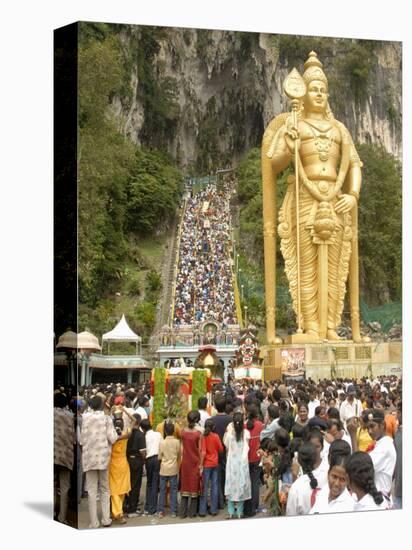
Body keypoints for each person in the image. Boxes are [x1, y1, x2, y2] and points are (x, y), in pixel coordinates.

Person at [264, 50, 365, 341]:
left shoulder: (339, 129)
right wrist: (288, 141)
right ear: (304, 94)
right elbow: (274, 164)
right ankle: (309, 326)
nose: (319, 94)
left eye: (323, 90)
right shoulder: (294, 124)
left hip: (335, 198)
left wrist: (353, 195)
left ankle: (331, 326)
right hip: (305, 197)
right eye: (314, 89)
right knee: (306, 265)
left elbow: (355, 164)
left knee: (336, 265)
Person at [80, 395, 118, 528]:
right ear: (102, 405)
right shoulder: (106, 419)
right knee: (104, 489)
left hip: (89, 458)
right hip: (103, 458)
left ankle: (94, 522)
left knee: (91, 491)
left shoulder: (84, 418)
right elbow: (112, 438)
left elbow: (81, 440)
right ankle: (106, 519)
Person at [310, 439, 354, 514]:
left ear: (348, 481)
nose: (337, 483)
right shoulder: (323, 492)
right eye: (334, 477)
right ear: (328, 474)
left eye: (342, 480)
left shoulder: (349, 507)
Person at [286, 441, 328, 516]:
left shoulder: (296, 487)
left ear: (299, 461)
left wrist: (294, 477)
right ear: (316, 457)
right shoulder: (329, 475)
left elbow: (290, 515)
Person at [224, 412, 251, 519]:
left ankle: (230, 512)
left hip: (231, 464)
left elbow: (226, 445)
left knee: (230, 487)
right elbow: (248, 446)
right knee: (241, 487)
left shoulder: (230, 434)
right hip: (242, 463)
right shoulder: (246, 433)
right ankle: (240, 512)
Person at [53, 392, 75, 525]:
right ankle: (62, 517)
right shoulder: (70, 416)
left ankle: (51, 513)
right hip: (65, 457)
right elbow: (73, 438)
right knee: (65, 488)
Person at [367, 409, 396, 500]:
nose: (369, 431)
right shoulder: (381, 443)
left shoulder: (385, 446)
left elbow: (362, 467)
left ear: (382, 425)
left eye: (372, 427)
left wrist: (352, 436)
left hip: (379, 499)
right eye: (368, 428)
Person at [109, 410, 131, 524]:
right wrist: (125, 410)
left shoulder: (111, 438)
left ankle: (117, 512)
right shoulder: (126, 434)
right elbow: (134, 421)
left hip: (112, 465)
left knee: (114, 490)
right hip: (123, 464)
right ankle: (118, 512)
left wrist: (111, 412)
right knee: (121, 490)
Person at [179, 411, 202, 518]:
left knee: (185, 486)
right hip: (195, 462)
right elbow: (200, 450)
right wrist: (201, 465)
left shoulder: (182, 432)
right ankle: (192, 513)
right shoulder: (198, 434)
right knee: (194, 487)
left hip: (185, 462)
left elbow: (181, 448)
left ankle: (182, 513)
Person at [199, 418, 223, 517]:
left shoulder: (203, 437)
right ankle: (213, 510)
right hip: (215, 463)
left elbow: (203, 452)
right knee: (214, 486)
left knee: (204, 487)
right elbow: (221, 449)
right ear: (213, 427)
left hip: (206, 464)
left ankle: (202, 510)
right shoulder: (216, 436)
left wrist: (200, 464)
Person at [243, 404, 264, 517]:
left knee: (247, 482)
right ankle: (255, 506)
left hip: (246, 458)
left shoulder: (243, 426)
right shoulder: (260, 425)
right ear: (257, 415)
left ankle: (247, 505)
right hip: (257, 457)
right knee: (255, 483)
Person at [212, 395, 232, 509]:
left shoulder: (211, 420)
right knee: (227, 474)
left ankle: (219, 500)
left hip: (215, 452)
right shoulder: (230, 419)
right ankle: (226, 496)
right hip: (228, 451)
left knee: (217, 477)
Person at [158, 421, 181, 518]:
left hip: (164, 469)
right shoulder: (177, 442)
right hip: (174, 468)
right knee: (173, 490)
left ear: (165, 432)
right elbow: (179, 455)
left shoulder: (162, 442)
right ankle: (173, 511)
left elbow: (159, 457)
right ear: (173, 431)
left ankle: (161, 511)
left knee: (162, 490)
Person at [126, 413, 146, 517]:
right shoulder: (140, 434)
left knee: (127, 484)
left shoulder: (127, 433)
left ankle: (127, 506)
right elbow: (143, 452)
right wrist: (144, 459)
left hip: (127, 460)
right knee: (135, 485)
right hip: (137, 461)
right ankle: (132, 510)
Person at [141, 418, 162, 515]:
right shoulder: (158, 434)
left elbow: (143, 452)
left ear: (143, 429)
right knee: (155, 483)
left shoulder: (144, 437)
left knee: (149, 483)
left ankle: (148, 506)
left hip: (148, 460)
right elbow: (161, 446)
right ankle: (153, 508)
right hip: (157, 459)